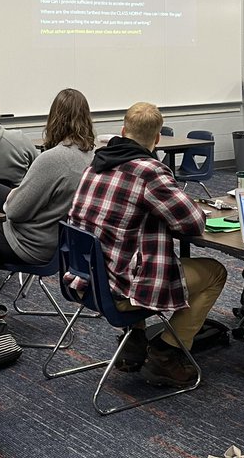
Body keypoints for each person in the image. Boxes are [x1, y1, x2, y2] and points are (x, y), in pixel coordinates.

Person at [69, 102, 227, 389]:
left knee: (129, 250)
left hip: (87, 278)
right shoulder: (149, 171)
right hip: (120, 288)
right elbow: (192, 224)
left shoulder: (95, 165)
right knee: (215, 272)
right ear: (156, 140)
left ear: (123, 131)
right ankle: (167, 354)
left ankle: (134, 342)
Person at [0, 88, 95, 293]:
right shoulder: (91, 157)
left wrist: (16, 195)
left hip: (31, 245)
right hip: (59, 242)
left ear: (54, 118)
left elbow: (15, 212)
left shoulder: (54, 159)